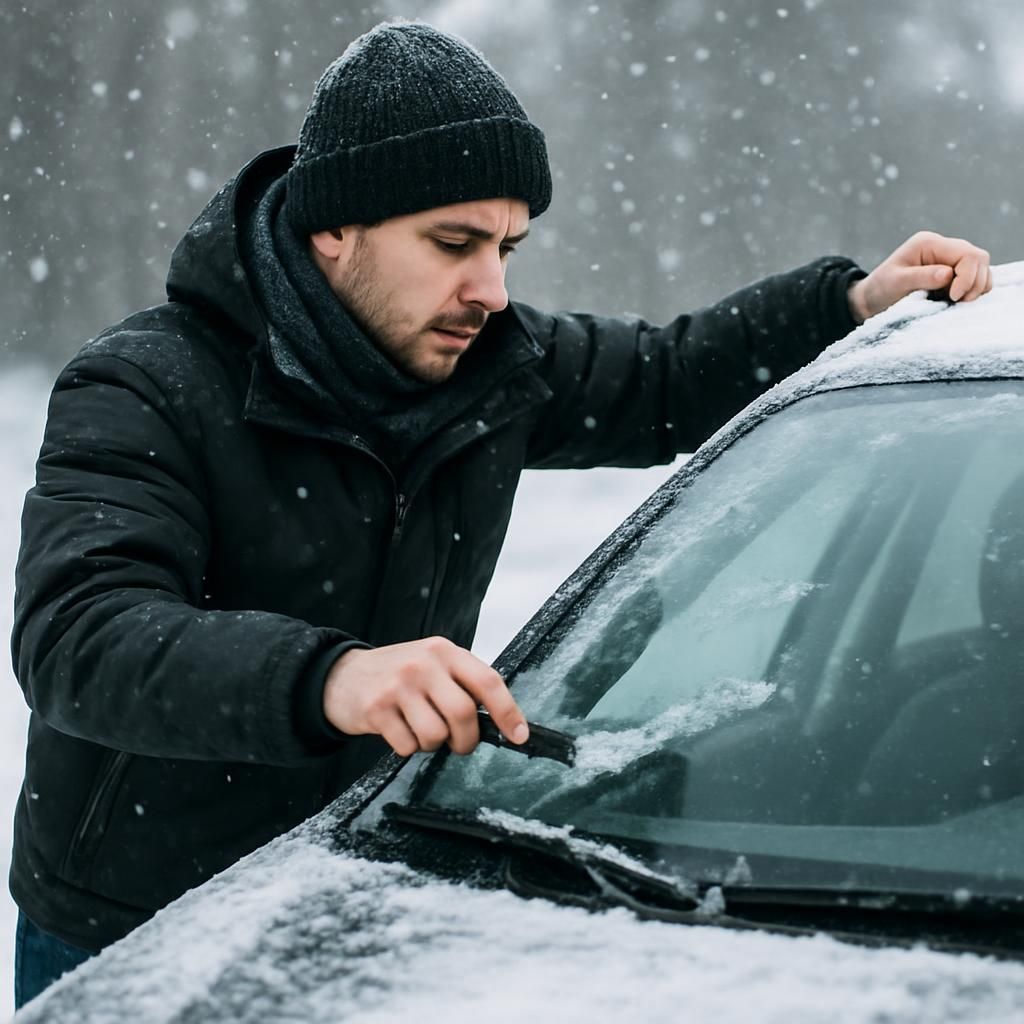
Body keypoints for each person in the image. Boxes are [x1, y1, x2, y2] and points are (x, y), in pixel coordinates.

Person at [10, 18, 991, 1009]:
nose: (490, 288)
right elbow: (78, 633)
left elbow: (668, 375)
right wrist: (330, 676)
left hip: (365, 887)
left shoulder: (491, 368)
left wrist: (846, 308)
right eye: (454, 243)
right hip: (139, 921)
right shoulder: (148, 386)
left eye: (508, 247)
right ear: (334, 227)